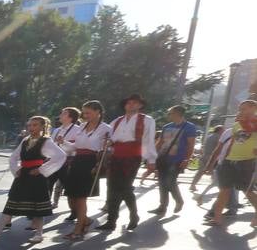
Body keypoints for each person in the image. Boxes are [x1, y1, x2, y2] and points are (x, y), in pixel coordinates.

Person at [0, 116, 66, 244]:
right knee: (11, 201)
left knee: (38, 205)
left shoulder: (46, 141)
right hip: (24, 175)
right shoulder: (25, 140)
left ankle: (39, 234)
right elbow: (13, 157)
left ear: (42, 126)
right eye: (30, 125)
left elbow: (60, 156)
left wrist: (41, 169)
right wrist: (16, 169)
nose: (31, 128)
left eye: (35, 125)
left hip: (36, 177)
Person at [98, 93, 156, 232]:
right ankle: (111, 221)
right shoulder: (117, 121)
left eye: (135, 103)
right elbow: (109, 137)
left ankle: (133, 215)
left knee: (125, 187)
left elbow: (149, 140)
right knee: (112, 187)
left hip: (133, 155)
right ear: (125, 105)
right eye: (129, 103)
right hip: (116, 155)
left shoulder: (147, 120)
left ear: (140, 105)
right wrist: (107, 142)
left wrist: (151, 159)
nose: (131, 105)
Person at [59, 101, 111, 240]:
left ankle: (78, 229)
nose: (85, 115)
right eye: (84, 112)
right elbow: (76, 146)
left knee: (81, 198)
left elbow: (107, 149)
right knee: (71, 196)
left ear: (98, 112)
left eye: (88, 112)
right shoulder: (82, 126)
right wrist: (63, 142)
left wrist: (99, 163)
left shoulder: (106, 128)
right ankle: (85, 220)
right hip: (77, 161)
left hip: (91, 162)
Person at [203, 99, 257, 228]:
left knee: (247, 191)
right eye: (240, 108)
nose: (240, 111)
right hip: (229, 161)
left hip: (247, 161)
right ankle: (216, 218)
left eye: (243, 108)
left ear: (253, 108)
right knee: (224, 190)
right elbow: (232, 142)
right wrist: (223, 159)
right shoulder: (237, 124)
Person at [151, 106, 197, 215]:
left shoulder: (189, 127)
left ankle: (179, 201)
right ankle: (162, 206)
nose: (168, 115)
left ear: (177, 113)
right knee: (162, 182)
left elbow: (191, 145)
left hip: (177, 159)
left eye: (170, 113)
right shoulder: (167, 126)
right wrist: (152, 155)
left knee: (170, 182)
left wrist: (186, 159)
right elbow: (160, 142)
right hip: (163, 158)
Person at [48, 107, 83, 213]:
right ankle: (43, 207)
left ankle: (74, 211)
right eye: (61, 113)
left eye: (64, 113)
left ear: (70, 118)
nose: (61, 115)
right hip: (55, 161)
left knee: (69, 187)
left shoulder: (78, 129)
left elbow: (77, 147)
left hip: (68, 162)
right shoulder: (57, 130)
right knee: (47, 184)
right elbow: (52, 145)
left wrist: (64, 142)